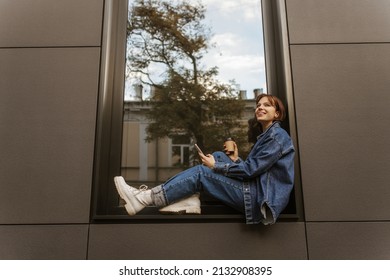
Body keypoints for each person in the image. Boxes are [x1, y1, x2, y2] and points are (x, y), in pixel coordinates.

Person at [114, 94, 295, 225]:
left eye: (267, 105)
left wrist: (216, 166)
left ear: (277, 114)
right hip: (254, 190)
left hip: (258, 199)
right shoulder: (266, 136)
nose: (260, 108)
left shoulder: (277, 137)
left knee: (203, 172)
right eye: (258, 105)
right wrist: (235, 159)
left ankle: (145, 198)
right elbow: (254, 171)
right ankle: (192, 198)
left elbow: (251, 171)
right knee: (218, 155)